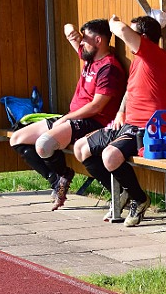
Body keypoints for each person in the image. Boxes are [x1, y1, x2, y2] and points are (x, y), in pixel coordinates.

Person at [73, 14, 166, 226]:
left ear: (144, 37)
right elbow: (130, 91)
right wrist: (121, 111)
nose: (124, 39)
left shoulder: (155, 55)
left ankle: (139, 199)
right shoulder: (139, 59)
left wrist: (112, 22)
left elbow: (121, 30)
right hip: (128, 123)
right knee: (80, 148)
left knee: (110, 156)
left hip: (149, 128)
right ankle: (123, 192)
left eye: (132, 33)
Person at [10, 19, 126, 211]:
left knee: (44, 145)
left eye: (85, 39)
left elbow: (97, 106)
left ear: (98, 40)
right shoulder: (89, 56)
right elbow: (67, 29)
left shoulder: (109, 67)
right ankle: (57, 178)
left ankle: (65, 176)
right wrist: (73, 32)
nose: (80, 44)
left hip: (92, 122)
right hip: (73, 118)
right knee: (17, 139)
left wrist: (66, 118)